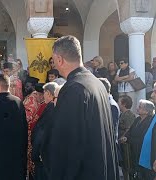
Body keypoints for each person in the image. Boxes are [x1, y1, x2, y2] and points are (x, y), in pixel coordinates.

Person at [43, 35, 119, 179]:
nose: (54, 65)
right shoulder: (97, 83)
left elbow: (66, 143)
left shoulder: (73, 89)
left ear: (60, 59)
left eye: (54, 60)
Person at [120, 100, 156, 179]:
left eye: (140, 107)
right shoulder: (137, 120)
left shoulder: (150, 121)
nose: (137, 108)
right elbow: (130, 131)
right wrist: (126, 137)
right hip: (134, 153)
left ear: (146, 111)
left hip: (143, 154)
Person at [31, 82, 59, 180]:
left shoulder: (50, 107)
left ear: (48, 93)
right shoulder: (56, 107)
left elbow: (41, 132)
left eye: (44, 93)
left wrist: (35, 154)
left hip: (44, 155)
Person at [23, 83, 44, 178]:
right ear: (39, 94)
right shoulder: (30, 101)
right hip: (30, 133)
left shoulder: (38, 99)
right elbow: (26, 119)